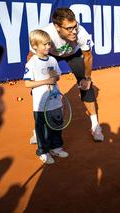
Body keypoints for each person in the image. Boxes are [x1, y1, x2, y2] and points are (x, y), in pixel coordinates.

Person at [28, 7, 104, 143]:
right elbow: (32, 57)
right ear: (57, 27)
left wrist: (87, 78)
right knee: (42, 89)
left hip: (73, 54)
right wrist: (36, 80)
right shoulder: (46, 34)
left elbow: (87, 56)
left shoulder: (81, 33)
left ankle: (95, 126)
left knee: (86, 85)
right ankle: (39, 129)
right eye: (69, 28)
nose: (74, 31)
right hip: (50, 55)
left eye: (74, 26)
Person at [24, 29, 68, 164]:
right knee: (42, 130)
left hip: (55, 102)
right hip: (40, 105)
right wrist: (46, 81)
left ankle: (56, 147)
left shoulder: (53, 60)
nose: (48, 47)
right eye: (45, 44)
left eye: (49, 44)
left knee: (57, 125)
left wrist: (54, 77)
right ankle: (43, 152)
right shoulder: (31, 63)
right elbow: (27, 83)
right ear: (35, 46)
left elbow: (57, 76)